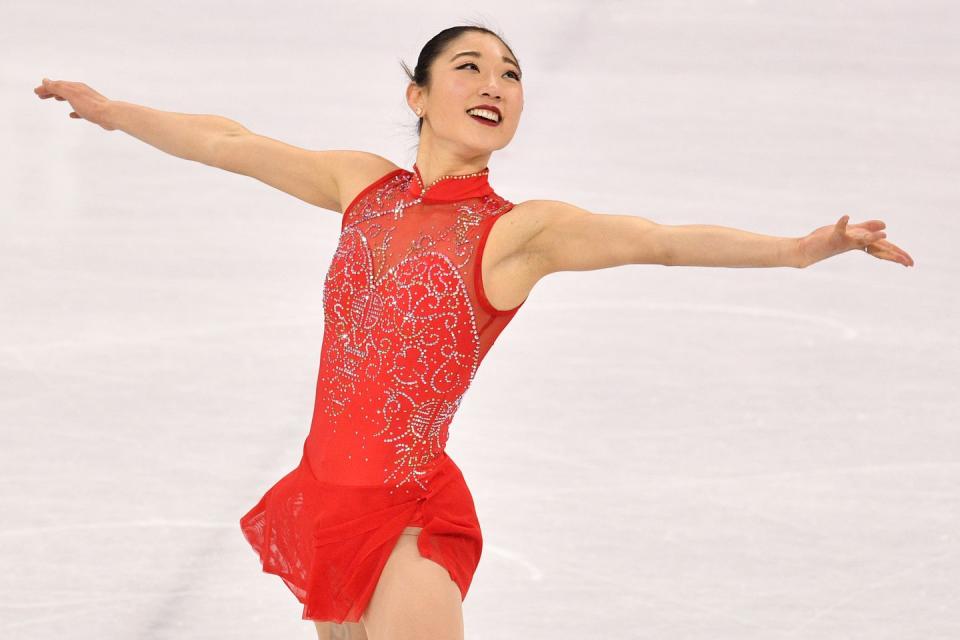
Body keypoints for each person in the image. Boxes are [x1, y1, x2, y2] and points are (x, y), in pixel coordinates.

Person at [35, 22, 915, 640]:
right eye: (470, 67)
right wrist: (115, 112)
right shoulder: (362, 186)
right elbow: (229, 141)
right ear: (417, 94)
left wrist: (801, 251)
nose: (495, 83)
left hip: (410, 512)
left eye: (511, 73)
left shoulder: (516, 232)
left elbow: (660, 240)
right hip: (328, 498)